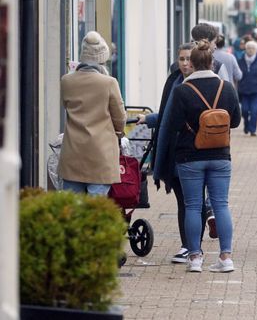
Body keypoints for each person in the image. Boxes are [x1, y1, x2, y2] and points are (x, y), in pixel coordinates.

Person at [167, 40, 242, 273]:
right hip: (221, 155)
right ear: (212, 62)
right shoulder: (227, 88)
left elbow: (173, 125)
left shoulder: (182, 91)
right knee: (221, 205)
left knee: (192, 206)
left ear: (192, 63)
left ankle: (195, 258)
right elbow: (237, 121)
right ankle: (226, 257)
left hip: (190, 156)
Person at [138, 43, 211, 263]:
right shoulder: (174, 81)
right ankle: (189, 246)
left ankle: (191, 246)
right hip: (175, 151)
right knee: (185, 201)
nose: (185, 63)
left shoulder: (204, 82)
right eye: (181, 59)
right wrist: (150, 119)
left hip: (198, 150)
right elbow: (168, 114)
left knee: (192, 201)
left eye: (189, 59)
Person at [58, 31, 126, 195]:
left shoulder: (66, 80)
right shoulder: (109, 82)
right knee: (95, 210)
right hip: (100, 154)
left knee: (74, 210)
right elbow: (120, 117)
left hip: (72, 153)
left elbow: (65, 105)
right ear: (102, 58)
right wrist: (118, 133)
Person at [237, 41, 257, 136]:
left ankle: (252, 129)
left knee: (254, 111)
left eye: (253, 48)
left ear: (256, 50)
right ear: (245, 49)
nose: (250, 50)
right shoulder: (240, 61)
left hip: (256, 91)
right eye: (249, 48)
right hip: (244, 90)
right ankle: (246, 124)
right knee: (244, 110)